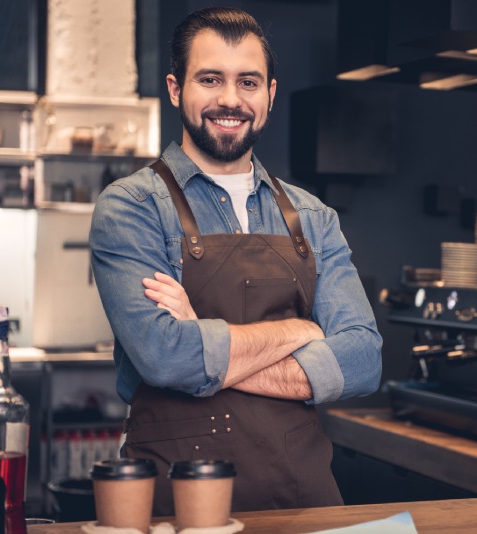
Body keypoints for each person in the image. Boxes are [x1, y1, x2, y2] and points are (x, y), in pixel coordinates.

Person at [90, 6, 382, 515]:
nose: (230, 99)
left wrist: (201, 340)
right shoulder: (131, 207)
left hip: (304, 499)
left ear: (269, 95)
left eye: (248, 81)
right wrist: (302, 331)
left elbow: (363, 360)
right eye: (210, 79)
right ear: (176, 88)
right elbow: (163, 356)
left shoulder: (313, 216)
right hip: (176, 504)